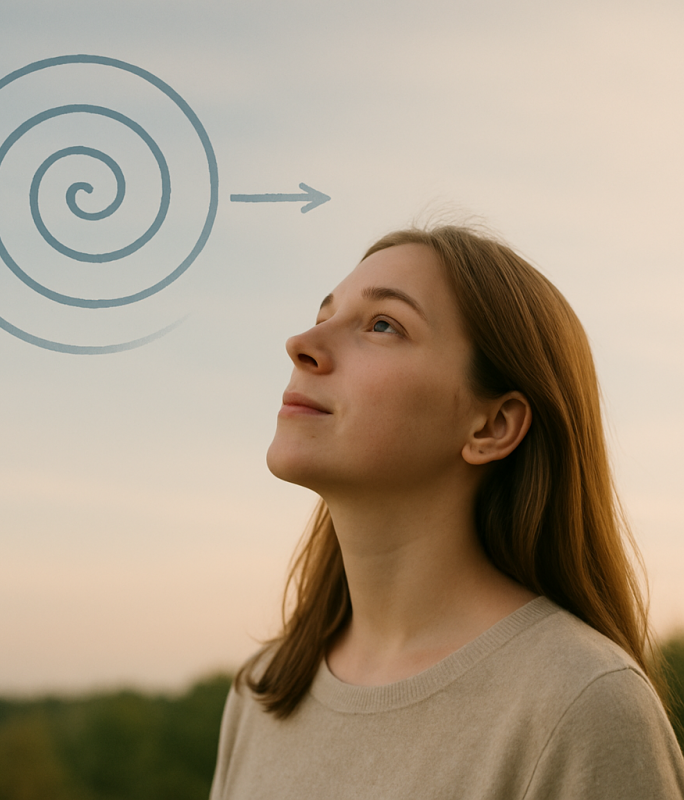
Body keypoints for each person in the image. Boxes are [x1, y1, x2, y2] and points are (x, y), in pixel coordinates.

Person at [209, 225, 684, 799]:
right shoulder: (263, 690)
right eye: (324, 313)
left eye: (383, 325)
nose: (302, 342)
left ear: (492, 426)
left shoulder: (582, 704)